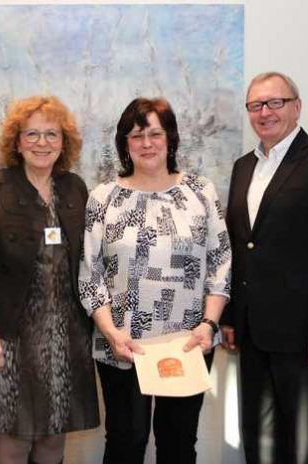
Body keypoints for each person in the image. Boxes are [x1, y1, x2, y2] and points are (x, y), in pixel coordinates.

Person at [79, 97, 231, 464]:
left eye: (155, 134)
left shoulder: (200, 192)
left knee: (178, 444)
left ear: (171, 139)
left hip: (187, 343)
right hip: (124, 345)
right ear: (124, 144)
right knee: (125, 443)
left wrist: (209, 324)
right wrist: (111, 332)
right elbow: (90, 273)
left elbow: (220, 262)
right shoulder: (103, 198)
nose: (146, 143)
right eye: (136, 136)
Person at [221, 71, 308, 464]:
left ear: (297, 106)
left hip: (304, 337)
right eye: (255, 105)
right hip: (252, 334)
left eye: (274, 103)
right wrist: (231, 317)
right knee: (259, 445)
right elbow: (239, 247)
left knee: (303, 447)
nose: (264, 112)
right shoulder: (243, 167)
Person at [0, 95, 99, 464]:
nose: (42, 143)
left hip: (67, 335)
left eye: (51, 134)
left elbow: (90, 259)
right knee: (14, 439)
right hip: (10, 334)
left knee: (54, 437)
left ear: (64, 142)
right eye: (32, 134)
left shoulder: (75, 189)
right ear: (16, 141)